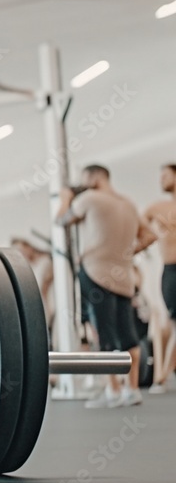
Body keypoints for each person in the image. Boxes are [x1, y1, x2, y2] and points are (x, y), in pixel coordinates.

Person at [57, 164, 157, 408]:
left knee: (103, 334)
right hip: (123, 276)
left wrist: (65, 197)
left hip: (95, 273)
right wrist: (125, 254)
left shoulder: (90, 199)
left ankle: (113, 391)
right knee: (128, 335)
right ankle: (131, 390)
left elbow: (61, 219)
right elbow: (150, 236)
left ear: (95, 177)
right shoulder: (129, 204)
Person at [143, 163, 176, 392]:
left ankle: (162, 376)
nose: (161, 180)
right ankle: (162, 375)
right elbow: (138, 225)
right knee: (173, 321)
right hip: (171, 270)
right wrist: (155, 233)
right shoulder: (157, 207)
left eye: (165, 175)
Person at [10, 237, 55, 346]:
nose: (20, 254)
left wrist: (48, 314)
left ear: (28, 247)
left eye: (21, 250)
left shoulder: (45, 262)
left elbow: (43, 290)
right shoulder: (32, 268)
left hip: (49, 309)